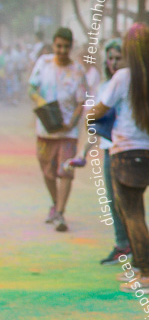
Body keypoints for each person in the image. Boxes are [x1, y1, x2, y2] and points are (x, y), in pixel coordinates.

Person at [86, 23, 149, 295]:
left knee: (132, 214)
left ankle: (147, 275)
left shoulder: (122, 77)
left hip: (126, 152)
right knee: (134, 211)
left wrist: (86, 113)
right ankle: (139, 267)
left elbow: (100, 108)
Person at [66, 39, 131, 264]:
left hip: (127, 149)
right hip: (109, 150)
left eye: (118, 57)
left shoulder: (133, 83)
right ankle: (123, 244)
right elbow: (98, 127)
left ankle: (135, 249)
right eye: (110, 58)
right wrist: (83, 153)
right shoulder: (105, 87)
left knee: (129, 203)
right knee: (114, 202)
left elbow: (93, 118)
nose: (113, 62)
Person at [28, 27, 88, 232]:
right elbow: (31, 88)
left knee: (66, 171)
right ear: (54, 45)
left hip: (68, 132)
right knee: (47, 171)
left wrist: (71, 123)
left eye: (66, 47)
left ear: (71, 47)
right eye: (58, 46)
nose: (62, 50)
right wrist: (41, 103)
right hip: (45, 129)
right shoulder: (43, 63)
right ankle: (56, 203)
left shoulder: (78, 70)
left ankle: (61, 213)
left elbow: (81, 101)